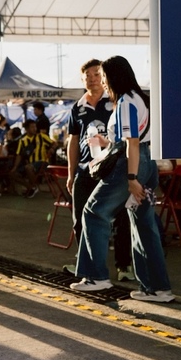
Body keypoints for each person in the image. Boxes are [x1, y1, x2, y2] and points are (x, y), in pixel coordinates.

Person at [70, 55, 173, 302]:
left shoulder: (125, 102)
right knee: (143, 225)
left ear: (113, 77)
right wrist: (108, 142)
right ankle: (157, 288)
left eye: (104, 76)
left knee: (93, 212)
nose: (102, 82)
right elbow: (135, 140)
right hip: (146, 163)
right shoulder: (140, 98)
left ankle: (96, 276)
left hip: (130, 164)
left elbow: (132, 143)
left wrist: (131, 178)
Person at [65, 59, 134, 281]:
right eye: (88, 76)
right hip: (86, 169)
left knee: (121, 217)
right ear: (82, 79)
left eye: (97, 74)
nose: (93, 79)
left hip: (113, 168)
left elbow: (128, 137)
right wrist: (71, 173)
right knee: (80, 219)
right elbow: (73, 141)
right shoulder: (77, 107)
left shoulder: (115, 100)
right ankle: (86, 265)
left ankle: (124, 266)